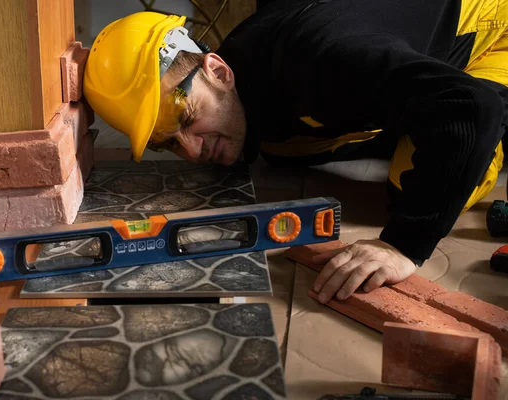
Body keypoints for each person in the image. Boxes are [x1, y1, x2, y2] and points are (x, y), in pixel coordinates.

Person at [82, 0, 508, 303]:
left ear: (218, 70)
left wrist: (402, 245)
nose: (191, 150)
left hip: (489, 25)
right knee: (286, 148)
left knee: (426, 177)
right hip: (383, 47)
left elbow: (471, 108)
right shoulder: (249, 80)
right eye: (166, 142)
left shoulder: (325, 62)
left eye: (187, 118)